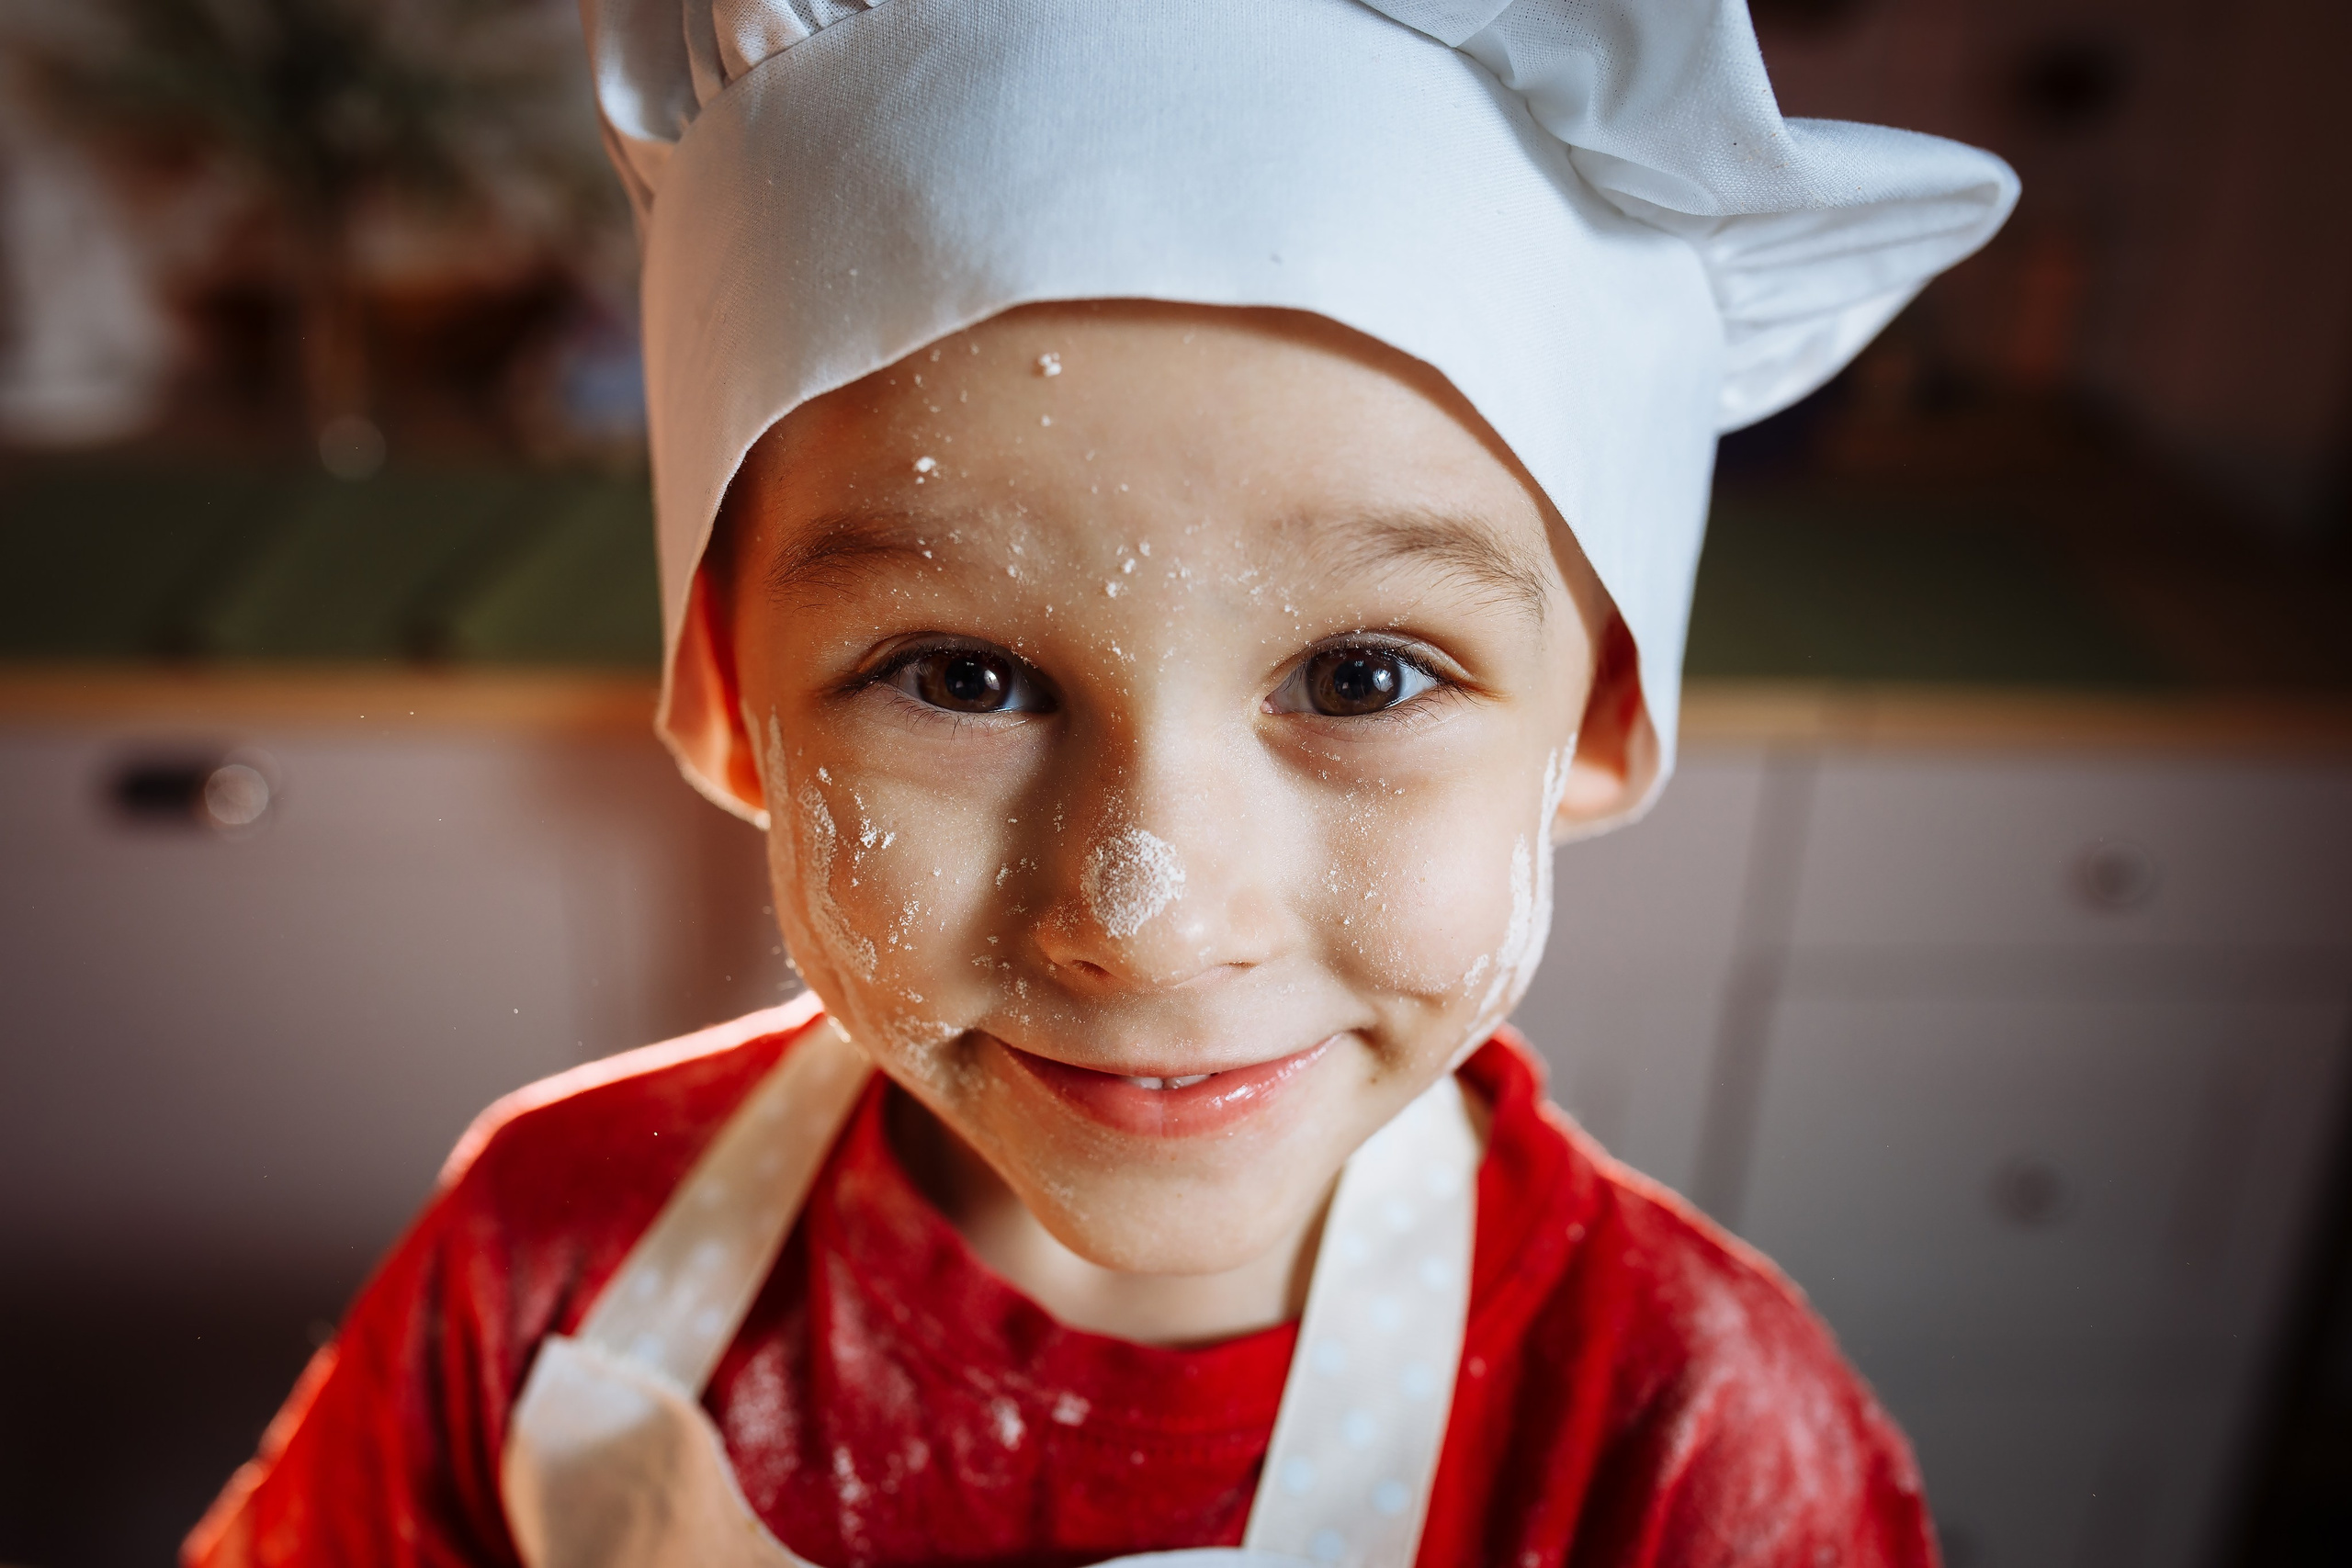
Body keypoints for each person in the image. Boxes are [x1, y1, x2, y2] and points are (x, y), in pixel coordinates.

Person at [187, 2, 2016, 1564]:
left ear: (1600, 714)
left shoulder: (1685, 1434)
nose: (1148, 919)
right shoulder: (541, 1253)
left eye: (1361, 677)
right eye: (962, 676)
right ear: (730, 702)